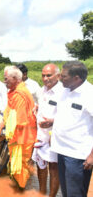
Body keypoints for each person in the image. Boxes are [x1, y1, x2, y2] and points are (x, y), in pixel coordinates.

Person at [50, 61, 93, 197]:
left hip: (78, 155)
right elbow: (68, 116)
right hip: (61, 150)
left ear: (77, 78)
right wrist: (52, 122)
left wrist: (92, 155)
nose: (60, 78)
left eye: (63, 76)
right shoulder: (65, 91)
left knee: (75, 194)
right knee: (66, 192)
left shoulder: (89, 94)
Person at [0, 65, 37, 189]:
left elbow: (21, 120)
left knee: (21, 163)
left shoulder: (21, 93)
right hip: (16, 134)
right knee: (16, 163)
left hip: (23, 135)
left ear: (15, 78)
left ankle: (22, 188)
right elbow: (9, 110)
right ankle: (20, 186)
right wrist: (1, 125)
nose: (4, 81)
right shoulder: (13, 92)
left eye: (6, 79)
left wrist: (5, 136)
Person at [31, 63, 62, 196]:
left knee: (54, 167)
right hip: (41, 135)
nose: (45, 78)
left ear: (58, 76)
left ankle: (52, 195)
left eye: (49, 75)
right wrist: (36, 106)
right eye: (43, 75)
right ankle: (42, 192)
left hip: (55, 135)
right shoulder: (41, 90)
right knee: (40, 164)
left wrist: (52, 122)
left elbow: (69, 116)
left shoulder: (63, 92)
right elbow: (39, 103)